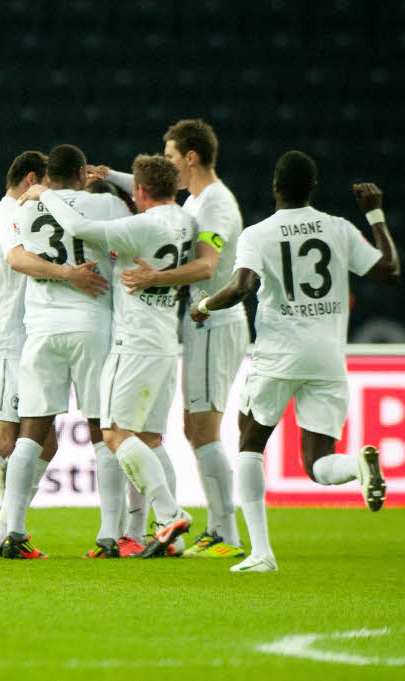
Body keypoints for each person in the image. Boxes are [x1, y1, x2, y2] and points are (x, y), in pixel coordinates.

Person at [191, 151, 399, 572]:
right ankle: (359, 466)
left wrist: (204, 306)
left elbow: (241, 286)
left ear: (275, 187)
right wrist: (375, 213)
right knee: (318, 464)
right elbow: (390, 271)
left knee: (249, 444)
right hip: (327, 357)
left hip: (279, 355)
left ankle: (261, 553)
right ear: (314, 187)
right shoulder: (339, 229)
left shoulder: (259, 233)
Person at [0, 152, 110, 559]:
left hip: (20, 341)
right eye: (43, 182)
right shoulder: (10, 211)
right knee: (3, 438)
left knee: (45, 443)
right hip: (4, 343)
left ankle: (6, 534)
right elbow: (16, 258)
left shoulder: (17, 210)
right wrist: (70, 274)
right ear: (32, 178)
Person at [19, 153, 196, 558]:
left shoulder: (138, 226)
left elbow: (80, 226)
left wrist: (45, 193)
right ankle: (173, 537)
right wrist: (109, 176)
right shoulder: (185, 220)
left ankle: (168, 515)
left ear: (139, 191)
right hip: (167, 342)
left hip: (132, 344)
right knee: (150, 439)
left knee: (115, 434)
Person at [101, 120, 249, 558]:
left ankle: (225, 534)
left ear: (191, 158)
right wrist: (108, 176)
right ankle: (212, 529)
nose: (166, 165)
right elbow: (153, 188)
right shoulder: (197, 200)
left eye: (170, 157)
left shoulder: (217, 204)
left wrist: (155, 276)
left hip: (214, 319)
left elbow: (207, 266)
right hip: (198, 320)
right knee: (193, 428)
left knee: (205, 430)